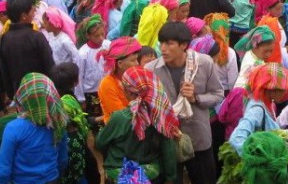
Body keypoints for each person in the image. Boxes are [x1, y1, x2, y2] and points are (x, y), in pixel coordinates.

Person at [146, 21, 224, 184]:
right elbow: (147, 105)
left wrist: (196, 98)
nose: (163, 48)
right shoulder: (151, 70)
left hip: (198, 137)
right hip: (167, 139)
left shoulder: (204, 63)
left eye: (169, 43)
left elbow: (218, 95)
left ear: (184, 45)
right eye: (162, 43)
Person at [95, 65, 179, 183]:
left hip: (119, 173)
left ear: (127, 92)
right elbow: (168, 150)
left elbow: (100, 143)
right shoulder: (160, 117)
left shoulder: (119, 118)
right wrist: (170, 177)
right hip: (149, 174)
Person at [0, 73, 69, 184]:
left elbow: (3, 169)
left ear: (24, 97)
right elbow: (63, 160)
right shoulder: (58, 124)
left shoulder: (13, 128)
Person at [0, 0, 55, 100]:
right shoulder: (37, 37)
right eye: (32, 12)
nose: (34, 15)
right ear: (24, 15)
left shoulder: (3, 39)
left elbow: (4, 71)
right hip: (41, 92)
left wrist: (11, 94)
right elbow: (49, 65)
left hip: (20, 94)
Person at [97, 36, 142, 123]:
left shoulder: (135, 78)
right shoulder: (107, 84)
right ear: (120, 64)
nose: (137, 63)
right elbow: (122, 117)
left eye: (137, 59)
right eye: (133, 60)